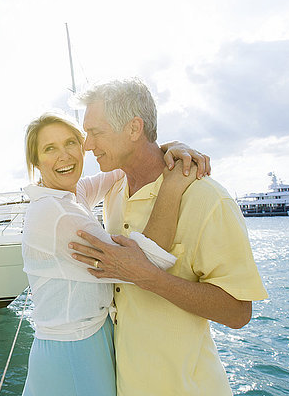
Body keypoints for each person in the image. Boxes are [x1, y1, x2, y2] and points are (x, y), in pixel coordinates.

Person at [69, 78, 268, 395]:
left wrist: (149, 276)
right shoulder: (114, 191)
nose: (88, 145)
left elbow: (238, 312)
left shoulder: (208, 199)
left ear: (134, 129)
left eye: (96, 133)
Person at [20, 111, 209, 396]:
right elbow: (143, 264)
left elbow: (116, 171)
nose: (64, 156)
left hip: (84, 339)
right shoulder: (58, 214)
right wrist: (173, 184)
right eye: (49, 149)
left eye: (70, 142)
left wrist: (167, 149)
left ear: (82, 146)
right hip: (74, 352)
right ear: (36, 162)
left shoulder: (68, 195)